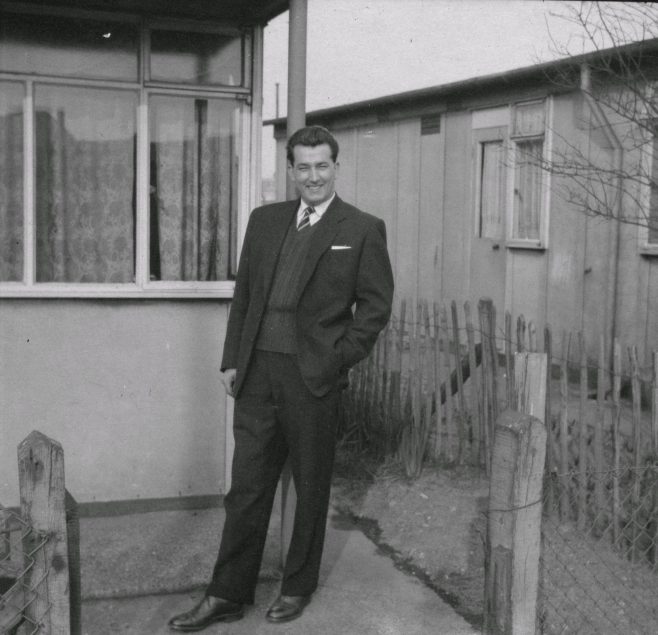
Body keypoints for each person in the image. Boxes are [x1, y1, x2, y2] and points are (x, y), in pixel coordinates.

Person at [168, 125, 394, 632]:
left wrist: (336, 359)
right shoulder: (265, 221)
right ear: (291, 170)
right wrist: (232, 360)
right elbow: (245, 296)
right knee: (246, 489)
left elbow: (375, 311)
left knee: (311, 489)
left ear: (336, 166)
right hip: (257, 374)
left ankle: (296, 587)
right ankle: (227, 593)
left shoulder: (360, 228)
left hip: (312, 378)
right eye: (303, 167)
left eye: (322, 165)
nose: (313, 176)